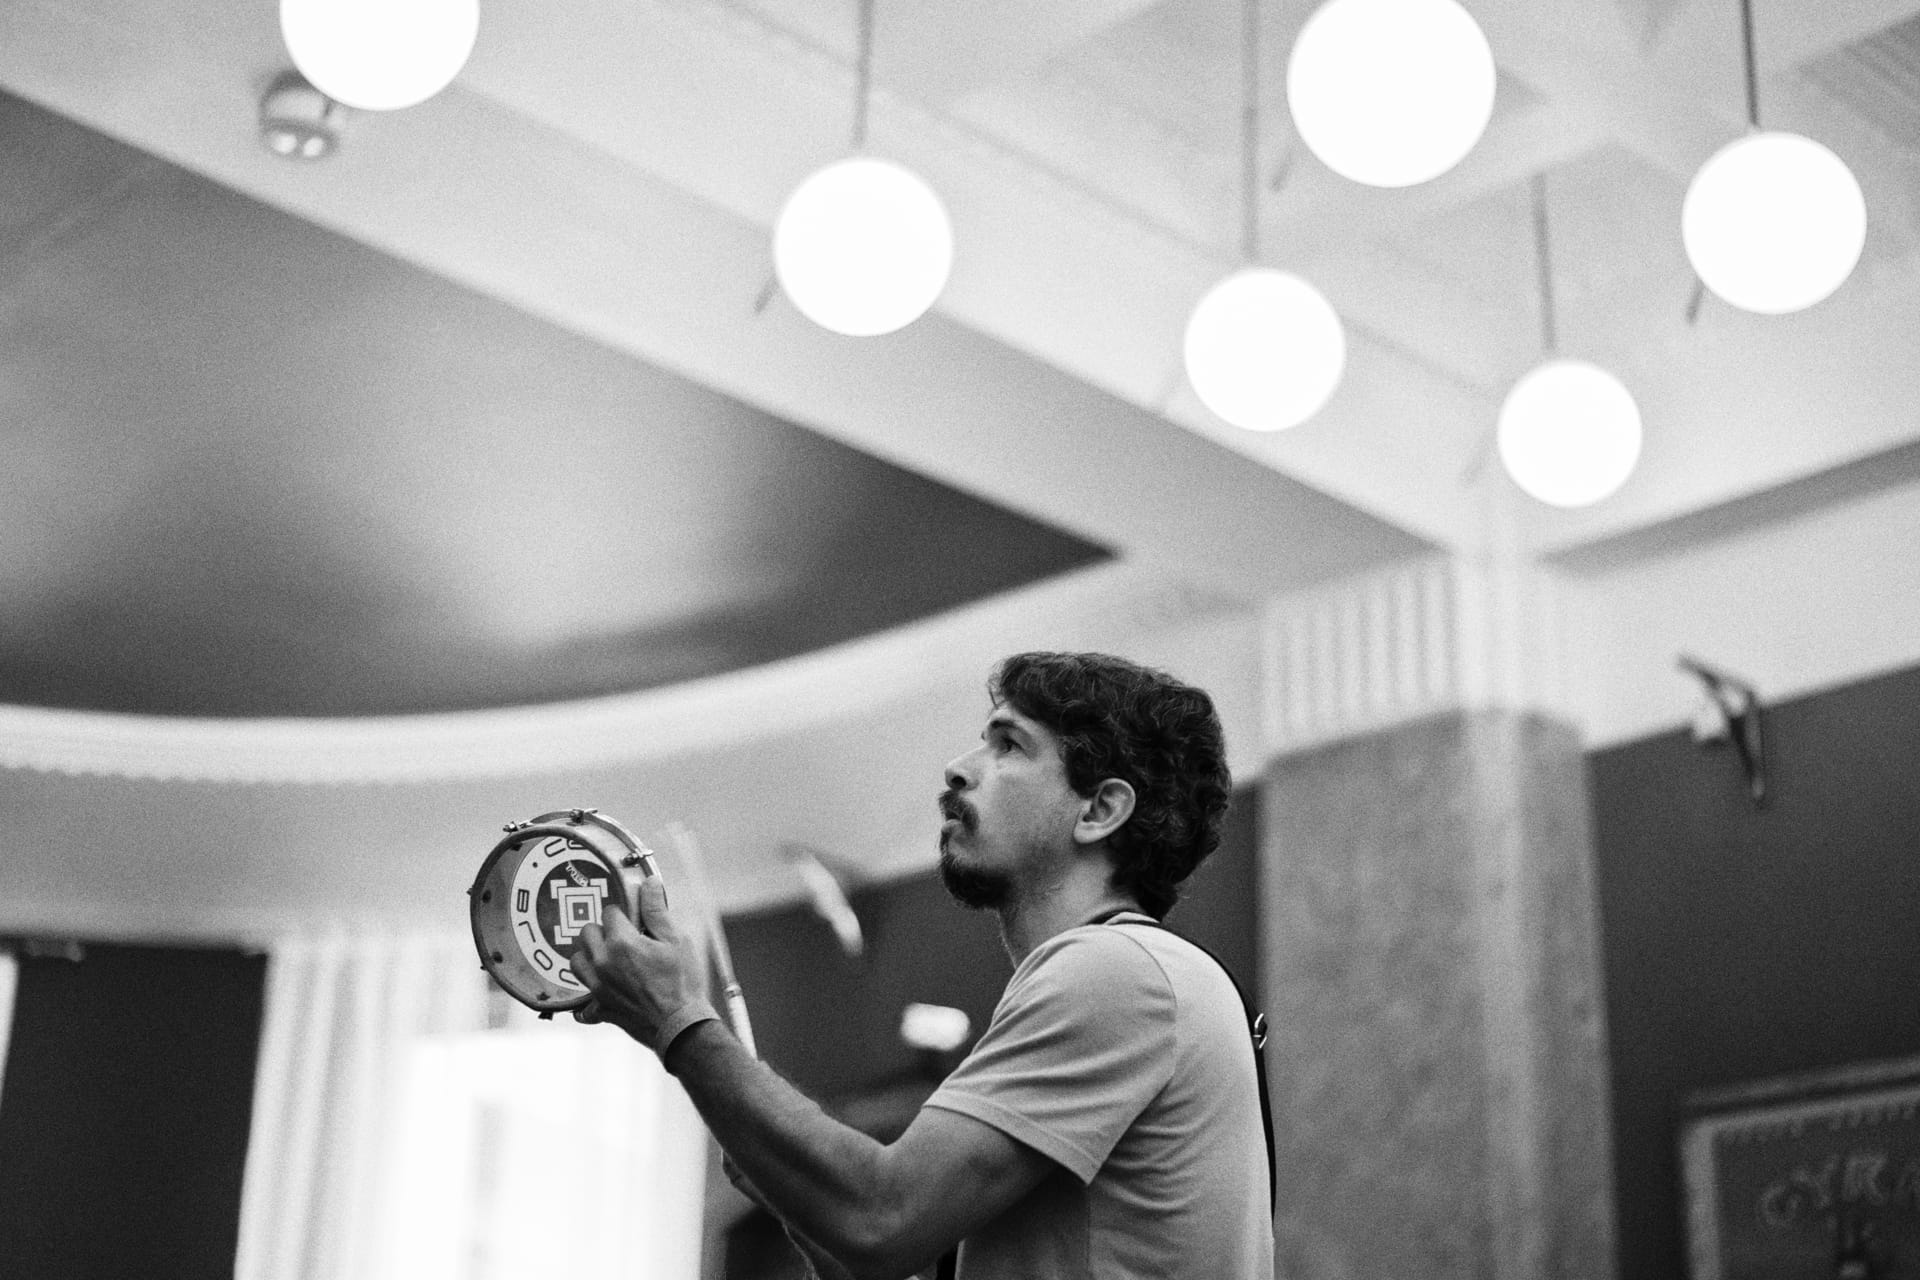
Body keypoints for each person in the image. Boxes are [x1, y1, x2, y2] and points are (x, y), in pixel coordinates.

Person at [571, 651, 1274, 1280]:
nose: (960, 767)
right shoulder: (1131, 976)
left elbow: (882, 1219)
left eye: (1009, 745)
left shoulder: (1117, 972)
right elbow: (875, 1245)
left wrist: (678, 1021)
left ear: (1100, 808)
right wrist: (794, 1188)